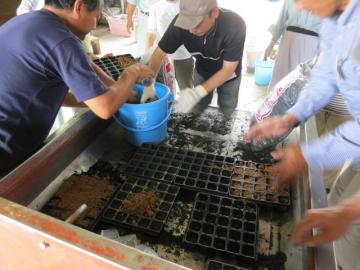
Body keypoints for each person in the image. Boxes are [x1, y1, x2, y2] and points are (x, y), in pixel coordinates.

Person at [245, 0, 360, 269]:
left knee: (350, 238)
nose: (298, 6)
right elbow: (326, 75)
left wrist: (308, 154)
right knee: (335, 200)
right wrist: (290, 118)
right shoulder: (337, 19)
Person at [0, 0, 153, 176]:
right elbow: (105, 109)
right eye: (97, 16)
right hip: (6, 152)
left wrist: (118, 93)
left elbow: (38, 90)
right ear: (78, 6)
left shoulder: (25, 22)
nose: (95, 24)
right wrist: (131, 74)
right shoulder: (62, 41)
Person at [148, 0, 246, 118]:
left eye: (196, 24)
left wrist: (198, 92)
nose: (191, 30)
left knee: (228, 105)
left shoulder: (234, 25)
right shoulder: (180, 25)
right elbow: (159, 52)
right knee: (198, 106)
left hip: (229, 76)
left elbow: (228, 69)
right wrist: (149, 83)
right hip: (202, 70)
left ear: (214, 12)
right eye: (187, 24)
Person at [264, 0, 322, 91]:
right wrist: (271, 43)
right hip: (288, 42)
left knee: (301, 85)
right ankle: (274, 104)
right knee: (279, 82)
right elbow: (281, 20)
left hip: (311, 46)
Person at [146, 0, 194, 90]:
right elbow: (151, 35)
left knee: (186, 90)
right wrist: (147, 56)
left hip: (184, 57)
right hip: (163, 58)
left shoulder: (187, 5)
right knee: (166, 89)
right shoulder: (156, 8)